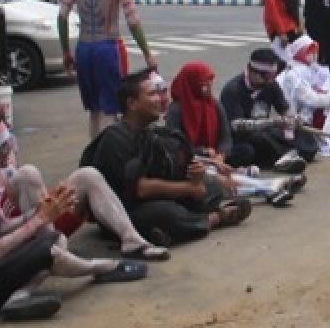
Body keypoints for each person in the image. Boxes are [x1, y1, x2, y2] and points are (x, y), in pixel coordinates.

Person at [0, 110, 147, 322]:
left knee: (51, 240)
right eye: (7, 142)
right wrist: (40, 219)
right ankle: (106, 268)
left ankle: (19, 297)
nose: (12, 147)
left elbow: (0, 227)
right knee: (47, 250)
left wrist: (43, 211)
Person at [82, 69, 252, 246]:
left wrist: (196, 177)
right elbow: (142, 189)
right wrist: (189, 188)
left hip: (152, 200)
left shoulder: (151, 133)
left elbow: (167, 171)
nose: (160, 99)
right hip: (125, 210)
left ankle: (166, 232)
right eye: (152, 94)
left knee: (213, 188)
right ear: (132, 103)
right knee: (168, 213)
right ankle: (215, 218)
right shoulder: (116, 137)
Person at [58, 0, 158, 138]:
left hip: (83, 49)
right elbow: (133, 21)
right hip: (107, 49)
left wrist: (66, 51)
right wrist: (147, 54)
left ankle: (95, 158)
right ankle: (107, 160)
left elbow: (62, 16)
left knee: (94, 110)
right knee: (110, 110)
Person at [166, 62, 298, 206]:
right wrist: (203, 152)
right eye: (204, 83)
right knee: (217, 178)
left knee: (232, 163)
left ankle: (269, 186)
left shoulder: (213, 104)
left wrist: (221, 155)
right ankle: (268, 188)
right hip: (191, 161)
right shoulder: (176, 110)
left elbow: (225, 135)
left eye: (210, 82)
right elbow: (175, 145)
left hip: (215, 157)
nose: (209, 87)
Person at [219, 50, 317, 173]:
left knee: (303, 130)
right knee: (256, 142)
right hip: (244, 136)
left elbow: (285, 111)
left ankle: (291, 155)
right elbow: (236, 126)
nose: (271, 80)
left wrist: (294, 119)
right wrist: (272, 122)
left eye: (273, 76)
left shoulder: (271, 85)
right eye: (267, 77)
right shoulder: (232, 90)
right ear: (253, 72)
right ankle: (286, 157)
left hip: (266, 129)